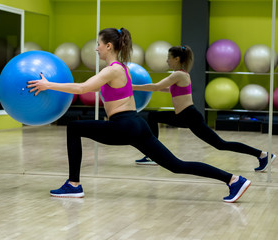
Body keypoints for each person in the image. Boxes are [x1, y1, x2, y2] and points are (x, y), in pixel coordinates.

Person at [27, 28, 251, 203]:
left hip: (124, 125)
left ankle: (74, 185)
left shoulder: (112, 69)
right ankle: (233, 179)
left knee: (74, 128)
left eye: (98, 44)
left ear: (107, 45)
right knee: (176, 165)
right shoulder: (121, 68)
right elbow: (93, 88)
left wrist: (48, 85)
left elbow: (82, 89)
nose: (96, 49)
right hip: (135, 125)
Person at [133, 45, 276, 170]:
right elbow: (166, 89)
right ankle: (153, 155)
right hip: (182, 116)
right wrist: (148, 88)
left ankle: (262, 155)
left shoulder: (178, 74)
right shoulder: (180, 76)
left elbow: (156, 86)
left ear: (177, 59)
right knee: (152, 116)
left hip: (189, 116)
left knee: (221, 144)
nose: (167, 61)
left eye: (169, 58)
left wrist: (131, 87)